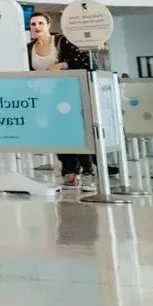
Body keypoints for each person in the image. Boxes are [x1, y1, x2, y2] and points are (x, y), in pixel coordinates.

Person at [27, 13, 95, 185]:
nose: (37, 27)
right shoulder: (29, 48)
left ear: (48, 25)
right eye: (33, 23)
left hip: (67, 93)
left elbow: (82, 63)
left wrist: (62, 65)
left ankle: (87, 169)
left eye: (41, 23)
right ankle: (69, 168)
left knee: (73, 130)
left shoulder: (61, 42)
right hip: (44, 95)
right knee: (56, 132)